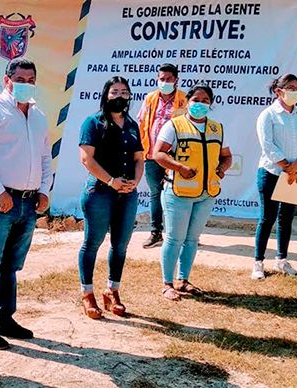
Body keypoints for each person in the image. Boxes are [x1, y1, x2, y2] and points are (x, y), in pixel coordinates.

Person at [0, 58, 52, 349]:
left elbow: (44, 157)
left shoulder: (39, 116)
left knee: (11, 266)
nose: (26, 84)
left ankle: (6, 319)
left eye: (31, 80)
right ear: (7, 80)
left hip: (28, 203)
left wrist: (43, 190)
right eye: (20, 79)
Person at [153, 84, 232, 301]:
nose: (200, 103)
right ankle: (167, 284)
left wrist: (221, 169)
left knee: (192, 239)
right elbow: (157, 153)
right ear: (188, 101)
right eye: (196, 99)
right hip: (178, 192)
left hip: (206, 193)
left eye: (206, 100)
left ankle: (183, 280)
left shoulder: (217, 128)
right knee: (174, 238)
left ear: (211, 104)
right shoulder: (174, 126)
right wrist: (180, 167)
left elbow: (227, 156)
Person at [78, 76, 144, 319]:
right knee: (92, 243)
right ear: (106, 95)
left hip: (127, 193)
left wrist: (134, 183)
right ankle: (87, 294)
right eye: (114, 91)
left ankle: (112, 291)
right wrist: (111, 181)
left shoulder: (132, 125)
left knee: (120, 245)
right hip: (100, 191)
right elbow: (87, 159)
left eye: (124, 92)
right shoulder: (92, 123)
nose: (119, 96)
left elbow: (139, 159)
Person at [252, 74, 297, 280]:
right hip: (271, 172)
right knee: (267, 218)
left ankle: (282, 259)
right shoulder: (268, 115)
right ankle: (258, 262)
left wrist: (296, 165)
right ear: (279, 91)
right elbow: (267, 145)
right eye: (290, 87)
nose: (295, 91)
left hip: (296, 174)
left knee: (286, 219)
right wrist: (285, 166)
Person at [137, 64, 187, 249]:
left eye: (168, 79)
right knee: (155, 193)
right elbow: (142, 122)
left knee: (179, 192)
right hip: (151, 154)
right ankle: (155, 232)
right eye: (161, 79)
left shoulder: (184, 99)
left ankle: (180, 234)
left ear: (176, 80)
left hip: (175, 156)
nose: (164, 82)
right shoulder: (150, 98)